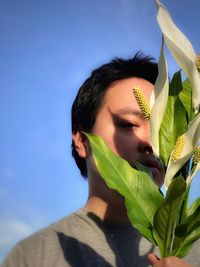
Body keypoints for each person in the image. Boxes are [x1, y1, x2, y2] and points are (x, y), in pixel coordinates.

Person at [2, 53, 199, 267]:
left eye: (162, 130)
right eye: (129, 124)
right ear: (82, 140)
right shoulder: (35, 256)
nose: (151, 142)